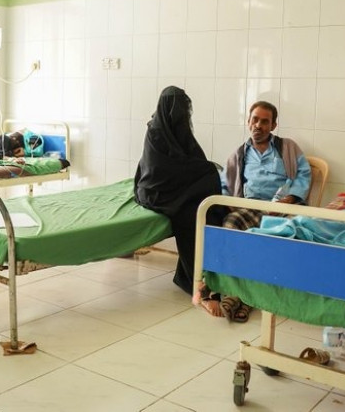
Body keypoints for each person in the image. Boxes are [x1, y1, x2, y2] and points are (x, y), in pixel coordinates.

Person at [201, 100, 312, 321]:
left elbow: (303, 175)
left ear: (273, 125)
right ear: (248, 121)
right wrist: (234, 205)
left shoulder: (288, 147)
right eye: (255, 120)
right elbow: (225, 185)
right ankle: (235, 293)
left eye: (264, 121)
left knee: (296, 230)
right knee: (230, 224)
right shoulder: (239, 154)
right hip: (251, 207)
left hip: (283, 207)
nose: (258, 125)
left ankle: (251, 298)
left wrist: (289, 199)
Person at [134, 86, 223, 297]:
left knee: (211, 210)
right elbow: (161, 168)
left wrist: (206, 168)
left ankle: (211, 276)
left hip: (173, 187)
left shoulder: (178, 129)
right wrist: (205, 169)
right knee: (191, 214)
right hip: (156, 190)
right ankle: (193, 279)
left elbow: (192, 158)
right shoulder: (156, 131)